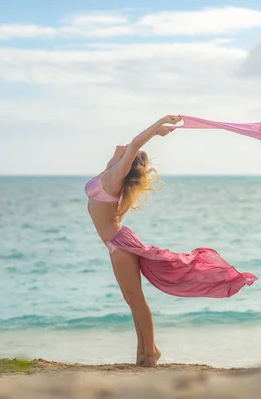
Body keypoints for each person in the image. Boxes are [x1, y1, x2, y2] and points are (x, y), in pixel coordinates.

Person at [84, 115, 182, 367]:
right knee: (130, 299)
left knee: (135, 297)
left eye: (128, 150)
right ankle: (143, 352)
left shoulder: (115, 175)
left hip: (120, 244)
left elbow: (136, 143)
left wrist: (158, 126)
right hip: (115, 243)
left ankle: (151, 353)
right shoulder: (109, 170)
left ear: (128, 163)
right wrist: (126, 150)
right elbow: (128, 147)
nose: (123, 146)